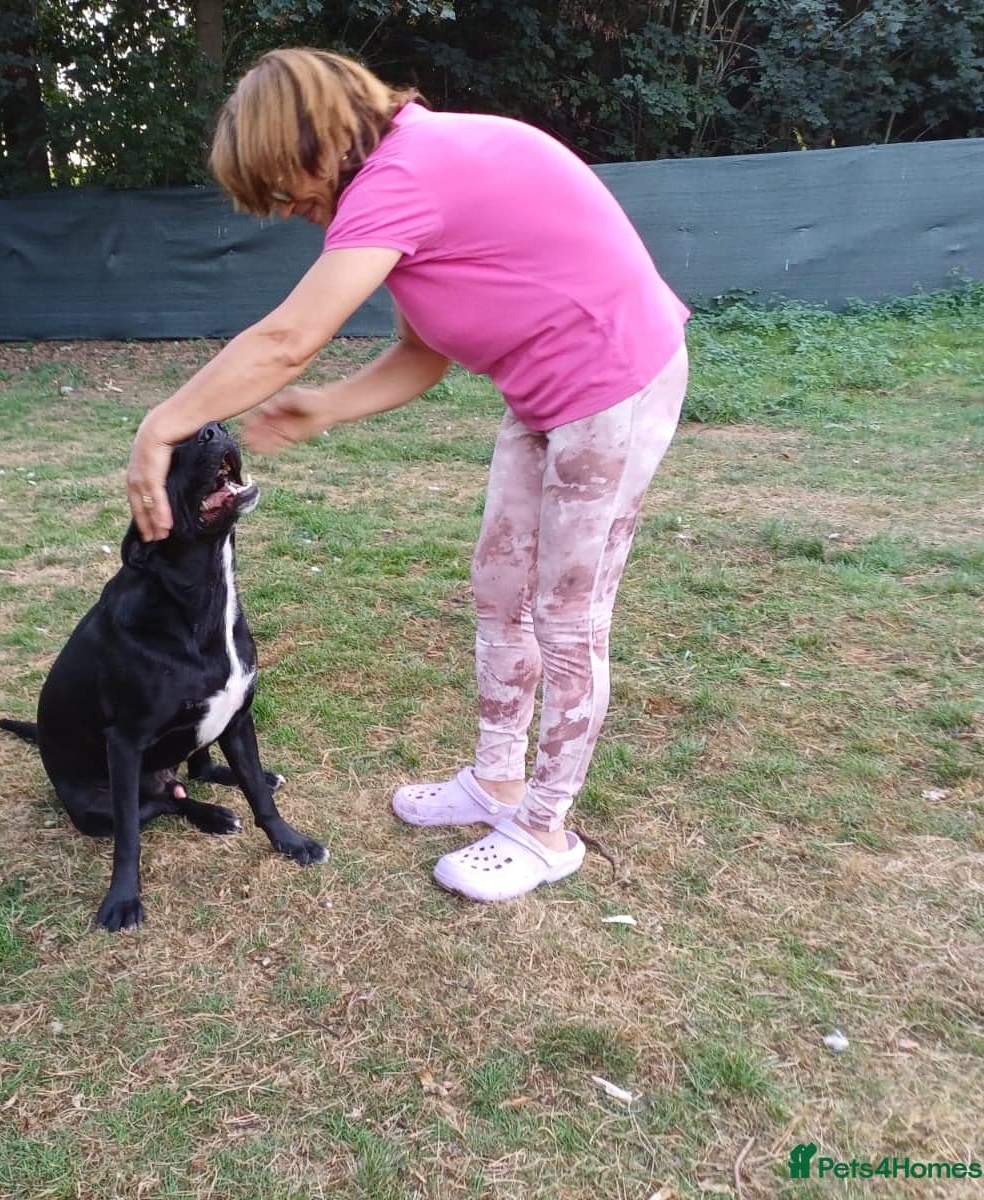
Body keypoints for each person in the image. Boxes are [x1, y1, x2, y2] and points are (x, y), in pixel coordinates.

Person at [125, 47, 690, 903]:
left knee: (569, 616)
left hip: (617, 385)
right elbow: (422, 354)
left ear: (321, 137)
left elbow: (287, 337)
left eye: (285, 184)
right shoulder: (407, 177)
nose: (287, 210)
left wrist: (162, 425)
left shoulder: (405, 172)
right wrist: (324, 409)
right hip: (546, 400)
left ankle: (546, 827)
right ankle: (497, 781)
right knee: (501, 588)